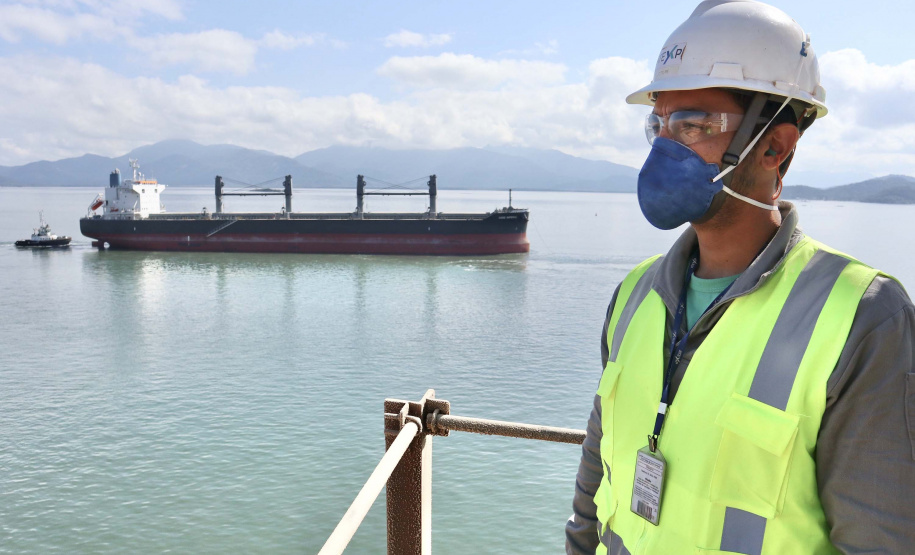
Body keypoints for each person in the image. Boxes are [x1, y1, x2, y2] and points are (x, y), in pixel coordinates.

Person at [565, 1, 915, 554]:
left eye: (692, 124)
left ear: (775, 146)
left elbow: (879, 538)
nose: (665, 147)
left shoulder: (864, 316)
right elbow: (596, 475)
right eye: (658, 124)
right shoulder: (634, 294)